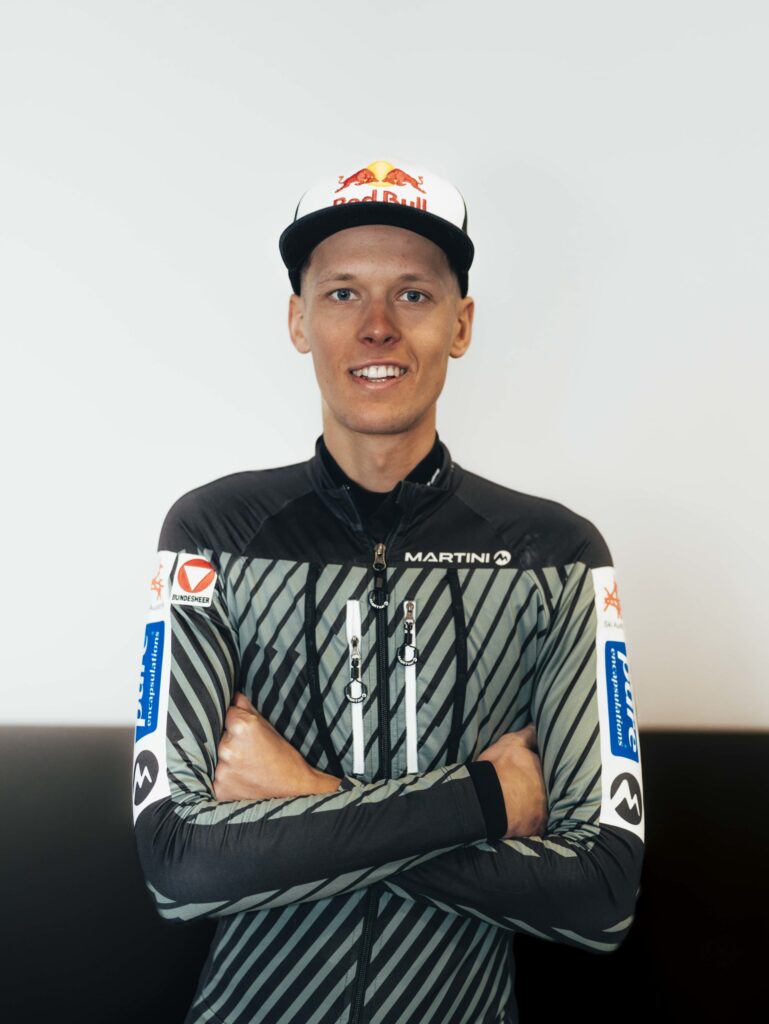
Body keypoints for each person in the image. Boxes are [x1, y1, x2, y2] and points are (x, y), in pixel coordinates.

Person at [131, 158, 645, 1024]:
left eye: (412, 294)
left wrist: (306, 796)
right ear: (297, 320)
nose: (376, 326)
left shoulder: (555, 556)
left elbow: (600, 898)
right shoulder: (212, 533)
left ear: (460, 323)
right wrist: (484, 799)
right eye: (341, 294)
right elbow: (178, 869)